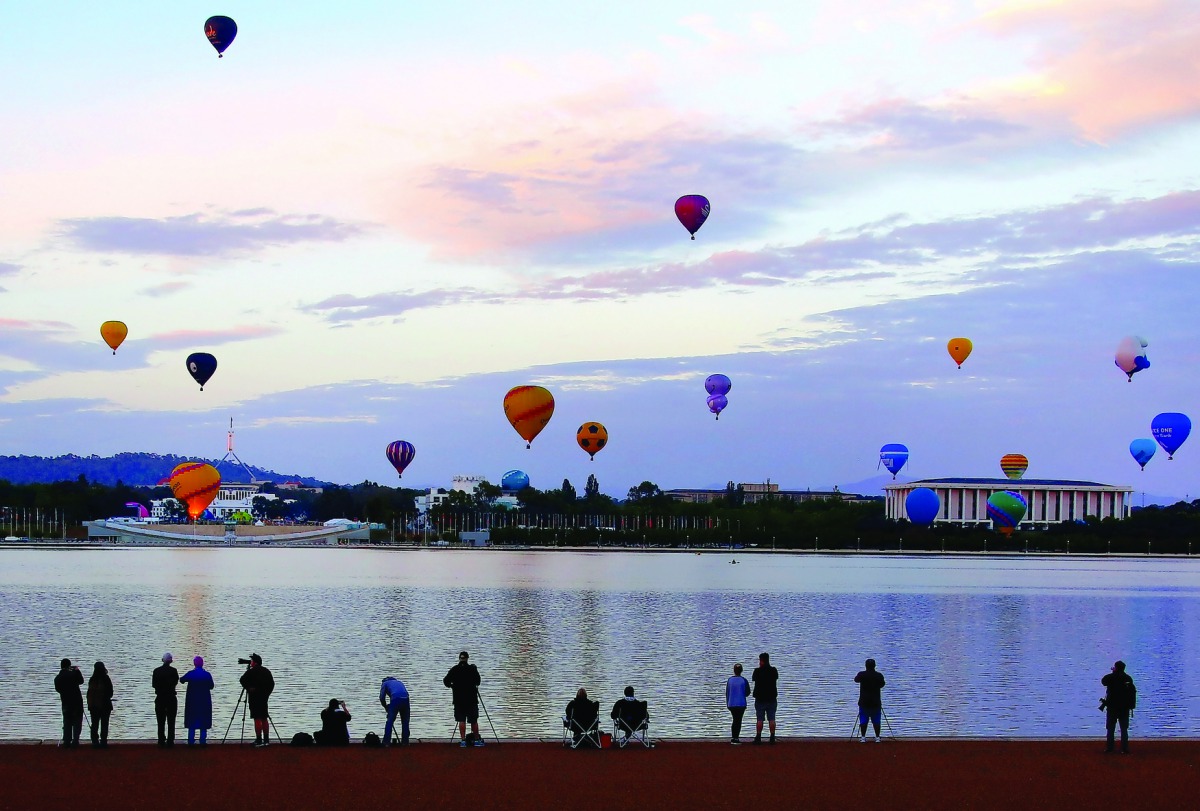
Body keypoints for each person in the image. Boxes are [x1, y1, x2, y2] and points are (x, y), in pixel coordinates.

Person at [443, 650, 482, 747]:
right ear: (467, 659)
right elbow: (478, 682)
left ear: (459, 659)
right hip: (471, 699)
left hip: (458, 700)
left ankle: (463, 740)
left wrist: (452, 686)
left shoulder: (454, 669)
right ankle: (476, 740)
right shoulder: (472, 669)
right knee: (474, 720)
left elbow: (445, 681)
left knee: (461, 720)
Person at [239, 653, 275, 747]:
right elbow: (272, 684)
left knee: (257, 718)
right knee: (264, 717)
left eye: (252, 661)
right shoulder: (266, 671)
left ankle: (259, 739)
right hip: (264, 698)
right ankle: (266, 740)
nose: (251, 663)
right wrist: (267, 694)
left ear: (255, 663)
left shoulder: (251, 672)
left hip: (254, 698)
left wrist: (249, 688)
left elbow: (242, 680)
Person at [1101, 660, 1136, 754]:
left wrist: (1113, 672)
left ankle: (1110, 748)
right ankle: (1124, 748)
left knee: (1110, 728)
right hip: (1124, 707)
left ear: (1116, 668)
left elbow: (1103, 681)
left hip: (1112, 707)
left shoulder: (1111, 677)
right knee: (1124, 729)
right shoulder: (1128, 678)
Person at [179, 656, 214, 746]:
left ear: (194, 664)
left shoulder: (191, 674)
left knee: (192, 720)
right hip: (204, 701)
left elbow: (182, 680)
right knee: (203, 721)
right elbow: (211, 686)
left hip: (192, 701)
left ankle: (191, 741)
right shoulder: (207, 675)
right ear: (202, 664)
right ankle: (202, 741)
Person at [54, 658, 84, 748]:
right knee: (77, 722)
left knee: (67, 722)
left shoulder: (58, 678)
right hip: (77, 702)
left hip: (66, 702)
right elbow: (81, 681)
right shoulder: (74, 674)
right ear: (69, 666)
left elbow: (58, 690)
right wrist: (77, 671)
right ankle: (75, 740)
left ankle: (67, 740)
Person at [854, 658, 886, 742]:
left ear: (866, 666)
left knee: (863, 720)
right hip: (875, 702)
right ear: (874, 666)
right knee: (876, 720)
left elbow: (856, 680)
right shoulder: (879, 675)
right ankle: (877, 737)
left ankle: (863, 737)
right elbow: (882, 684)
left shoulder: (861, 675)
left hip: (864, 702)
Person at [152, 652, 179, 747]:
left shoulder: (156, 671)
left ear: (162, 660)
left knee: (160, 720)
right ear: (171, 661)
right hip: (171, 697)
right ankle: (170, 740)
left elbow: (154, 685)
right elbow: (176, 682)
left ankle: (161, 740)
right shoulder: (174, 671)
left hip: (160, 698)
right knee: (171, 720)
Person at [751, 652, 779, 745]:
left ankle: (758, 736)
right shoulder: (773, 670)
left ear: (761, 661)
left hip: (760, 699)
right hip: (771, 698)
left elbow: (754, 679)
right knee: (772, 719)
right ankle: (772, 736)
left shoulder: (757, 671)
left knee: (759, 719)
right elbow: (776, 678)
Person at [86, 662, 114, 748]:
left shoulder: (92, 679)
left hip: (94, 705)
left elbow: (89, 693)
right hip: (105, 705)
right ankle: (103, 741)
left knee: (94, 724)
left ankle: (94, 741)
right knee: (104, 724)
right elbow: (110, 692)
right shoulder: (106, 678)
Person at [380, 676, 410, 746]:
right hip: (406, 698)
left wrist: (386, 707)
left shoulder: (384, 683)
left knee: (390, 721)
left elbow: (382, 698)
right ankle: (405, 742)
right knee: (405, 721)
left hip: (395, 698)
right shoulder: (399, 682)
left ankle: (386, 742)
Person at [725, 663, 750, 744]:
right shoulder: (744, 680)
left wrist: (727, 702)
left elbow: (727, 692)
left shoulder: (730, 680)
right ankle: (736, 738)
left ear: (734, 670)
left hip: (731, 703)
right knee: (738, 720)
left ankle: (733, 737)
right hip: (741, 703)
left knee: (734, 720)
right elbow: (747, 692)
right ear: (741, 671)